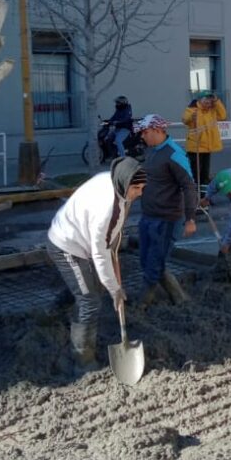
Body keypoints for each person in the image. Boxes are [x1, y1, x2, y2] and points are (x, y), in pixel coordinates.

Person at [47, 157, 147, 367]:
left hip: (81, 237)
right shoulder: (106, 208)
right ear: (123, 183)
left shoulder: (113, 182)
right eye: (136, 188)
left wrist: (113, 251)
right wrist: (115, 289)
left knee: (87, 286)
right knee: (90, 301)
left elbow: (110, 240)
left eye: (143, 187)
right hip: (68, 246)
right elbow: (99, 252)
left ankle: (50, 316)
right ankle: (81, 359)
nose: (140, 192)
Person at [135, 113, 198, 307]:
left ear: (157, 130)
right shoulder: (151, 151)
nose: (142, 136)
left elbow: (188, 186)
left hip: (167, 219)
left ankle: (142, 303)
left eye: (145, 132)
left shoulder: (174, 153)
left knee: (154, 263)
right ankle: (179, 297)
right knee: (146, 260)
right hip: (149, 216)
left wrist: (190, 219)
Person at [182, 90, 227, 190]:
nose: (208, 103)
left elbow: (223, 116)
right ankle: (195, 194)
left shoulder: (212, 110)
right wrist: (191, 117)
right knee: (195, 173)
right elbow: (185, 120)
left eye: (210, 101)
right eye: (206, 101)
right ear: (200, 100)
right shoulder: (192, 109)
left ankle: (204, 194)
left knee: (205, 174)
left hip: (207, 147)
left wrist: (217, 101)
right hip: (195, 147)